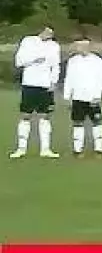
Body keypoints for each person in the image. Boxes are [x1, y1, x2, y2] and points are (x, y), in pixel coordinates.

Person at [11, 26, 61, 159]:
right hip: (29, 83)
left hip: (45, 85)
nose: (49, 34)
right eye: (47, 31)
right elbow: (19, 62)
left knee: (44, 116)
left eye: (51, 32)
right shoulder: (28, 41)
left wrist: (53, 82)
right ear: (41, 30)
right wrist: (34, 59)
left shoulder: (54, 46)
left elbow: (56, 65)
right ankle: (21, 149)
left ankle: (45, 149)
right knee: (25, 115)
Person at [63, 39, 102, 156]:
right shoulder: (72, 61)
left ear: (89, 47)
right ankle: (78, 149)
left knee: (96, 121)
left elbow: (101, 79)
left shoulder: (97, 61)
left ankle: (99, 149)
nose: (82, 48)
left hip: (92, 97)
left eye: (85, 46)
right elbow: (69, 79)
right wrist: (67, 96)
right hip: (77, 96)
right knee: (78, 122)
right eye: (80, 46)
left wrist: (98, 95)